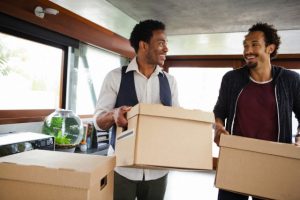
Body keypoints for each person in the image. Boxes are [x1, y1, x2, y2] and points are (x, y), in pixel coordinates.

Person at [93, 19, 179, 200]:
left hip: (158, 171)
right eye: (161, 43)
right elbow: (98, 121)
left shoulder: (170, 82)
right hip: (121, 170)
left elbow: (176, 123)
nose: (166, 49)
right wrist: (114, 114)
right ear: (144, 45)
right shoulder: (115, 77)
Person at [213, 22, 300, 200]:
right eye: (245, 45)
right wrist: (218, 127)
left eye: (254, 44)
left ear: (270, 48)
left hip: (275, 164)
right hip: (236, 161)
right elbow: (219, 112)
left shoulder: (290, 80)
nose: (247, 50)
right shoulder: (231, 79)